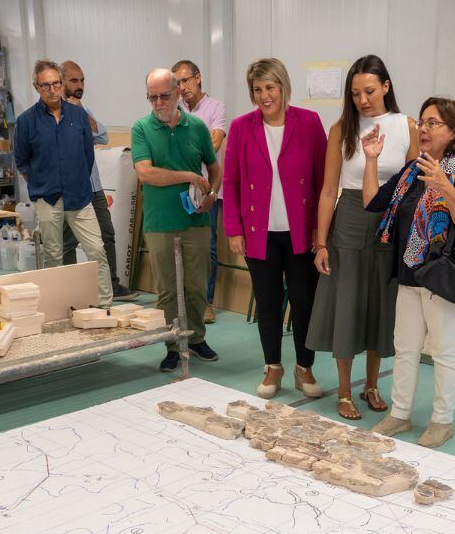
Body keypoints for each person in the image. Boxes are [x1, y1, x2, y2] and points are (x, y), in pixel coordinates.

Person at [365, 98, 455, 449]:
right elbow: (375, 203)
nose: (424, 128)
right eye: (422, 122)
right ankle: (400, 414)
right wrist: (372, 159)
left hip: (444, 277)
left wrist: (444, 186)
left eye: (433, 123)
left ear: (454, 131)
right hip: (409, 274)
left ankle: (441, 421)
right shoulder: (411, 169)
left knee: (444, 351)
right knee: (404, 349)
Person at [309, 55, 418, 420]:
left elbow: (416, 185)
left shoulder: (407, 127)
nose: (363, 99)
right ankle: (344, 391)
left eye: (369, 91)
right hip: (351, 221)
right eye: (355, 93)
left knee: (379, 307)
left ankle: (372, 385)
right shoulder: (342, 129)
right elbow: (328, 191)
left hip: (390, 222)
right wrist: (321, 242)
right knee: (348, 305)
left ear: (386, 86)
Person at [221, 58, 326, 399]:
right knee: (268, 302)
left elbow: (323, 179)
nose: (264, 96)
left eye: (270, 87)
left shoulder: (309, 122)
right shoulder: (241, 127)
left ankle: (304, 367)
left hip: (301, 233)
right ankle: (273, 367)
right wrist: (234, 229)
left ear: (283, 87)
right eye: (257, 89)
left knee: (304, 301)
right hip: (258, 234)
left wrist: (321, 232)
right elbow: (232, 180)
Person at [132, 68, 221, 372]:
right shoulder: (141, 129)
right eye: (152, 97)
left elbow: (215, 167)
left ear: (178, 93)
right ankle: (172, 344)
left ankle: (196, 339)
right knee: (168, 289)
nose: (158, 102)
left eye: (164, 95)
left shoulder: (196, 127)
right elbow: (145, 173)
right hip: (159, 222)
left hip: (195, 221)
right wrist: (188, 176)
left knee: (196, 286)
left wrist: (211, 195)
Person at [14, 60, 112, 306]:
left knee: (96, 249)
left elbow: (88, 154)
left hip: (80, 196)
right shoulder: (26, 121)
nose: (52, 89)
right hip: (47, 199)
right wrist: (41, 184)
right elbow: (22, 160)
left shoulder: (78, 115)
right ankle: (56, 305)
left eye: (56, 83)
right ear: (37, 87)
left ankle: (104, 304)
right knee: (54, 255)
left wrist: (76, 179)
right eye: (46, 85)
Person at [58, 60, 137, 300]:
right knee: (67, 241)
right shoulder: (54, 114)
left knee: (107, 233)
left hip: (93, 186)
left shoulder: (83, 109)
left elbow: (102, 136)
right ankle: (69, 290)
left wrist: (82, 112)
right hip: (68, 190)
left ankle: (112, 285)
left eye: (82, 80)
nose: (80, 85)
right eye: (74, 81)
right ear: (61, 82)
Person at [173, 60, 227, 323]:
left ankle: (206, 302)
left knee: (208, 246)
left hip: (207, 189)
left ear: (198, 78)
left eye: (185, 80)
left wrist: (184, 157)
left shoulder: (215, 108)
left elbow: (214, 144)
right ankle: (182, 301)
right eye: (178, 83)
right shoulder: (173, 108)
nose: (182, 87)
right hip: (177, 189)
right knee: (178, 244)